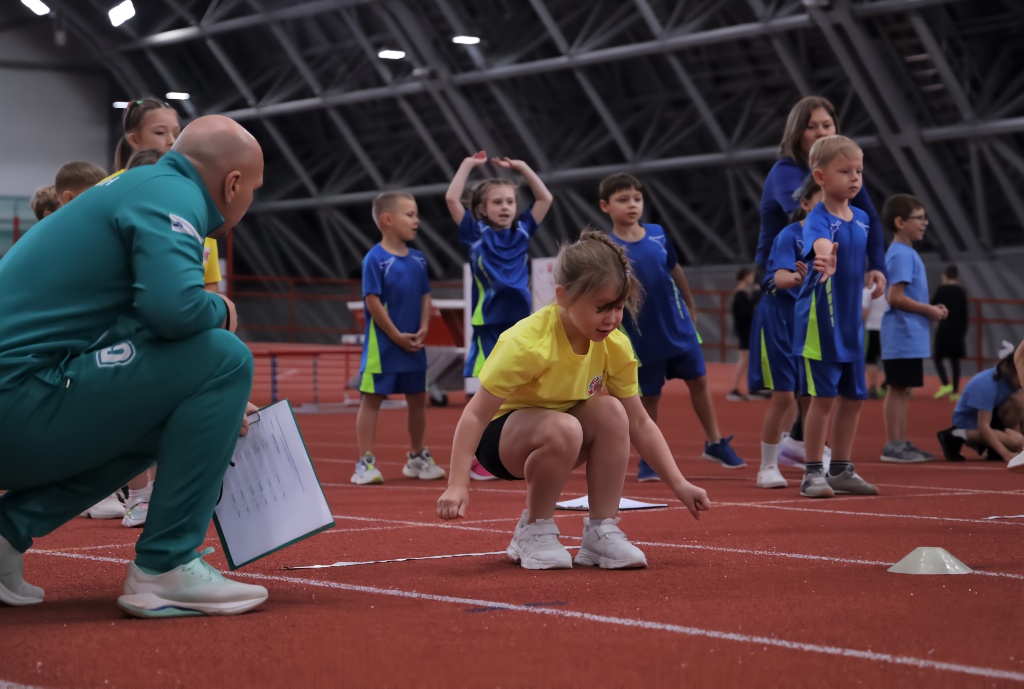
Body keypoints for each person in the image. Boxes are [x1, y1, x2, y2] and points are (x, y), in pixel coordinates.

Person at [0, 115, 269, 617]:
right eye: (253, 190)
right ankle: (165, 565)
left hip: (20, 395)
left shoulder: (136, 185)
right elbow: (176, 310)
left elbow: (133, 330)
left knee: (167, 406)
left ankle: (4, 535)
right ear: (233, 184)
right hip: (15, 399)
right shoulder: (174, 194)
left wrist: (203, 400)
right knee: (226, 357)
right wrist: (224, 311)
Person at [436, 231, 711, 570]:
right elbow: (476, 415)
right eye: (601, 308)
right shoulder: (527, 343)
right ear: (563, 297)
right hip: (502, 442)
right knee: (564, 427)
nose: (611, 319)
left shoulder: (615, 345)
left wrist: (679, 484)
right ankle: (533, 530)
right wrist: (457, 484)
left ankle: (602, 531)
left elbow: (640, 421)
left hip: (564, 431)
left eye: (618, 307)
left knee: (613, 412)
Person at [106, 107, 223, 529]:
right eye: (161, 132)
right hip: (127, 337)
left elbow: (207, 288)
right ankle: (139, 500)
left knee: (174, 418)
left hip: (175, 332)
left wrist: (214, 325)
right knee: (130, 422)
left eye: (177, 132)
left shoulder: (197, 224)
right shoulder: (112, 197)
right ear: (134, 138)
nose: (172, 141)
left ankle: (168, 503)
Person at [756, 96, 888, 466]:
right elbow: (809, 220)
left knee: (827, 380)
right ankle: (782, 456)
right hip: (783, 277)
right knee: (792, 381)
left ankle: (801, 440)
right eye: (812, 126)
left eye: (826, 126)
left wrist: (875, 263)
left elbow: (869, 220)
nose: (819, 132)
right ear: (797, 133)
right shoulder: (786, 173)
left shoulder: (845, 175)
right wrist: (826, 251)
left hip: (821, 279)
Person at [598, 173, 745, 480]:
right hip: (641, 334)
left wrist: (691, 306)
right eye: (623, 200)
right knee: (649, 397)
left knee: (699, 381)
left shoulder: (658, 234)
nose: (632, 205)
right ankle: (649, 458)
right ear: (605, 206)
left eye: (636, 199)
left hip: (678, 326)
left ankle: (714, 442)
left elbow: (674, 270)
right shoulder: (608, 247)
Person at [445, 151, 553, 481]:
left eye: (509, 201)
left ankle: (507, 452)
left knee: (520, 391)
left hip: (520, 323)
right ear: (481, 209)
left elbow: (544, 197)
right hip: (489, 323)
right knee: (488, 391)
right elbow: (451, 197)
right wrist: (467, 164)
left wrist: (521, 168)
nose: (505, 207)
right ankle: (476, 457)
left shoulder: (522, 231)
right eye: (497, 202)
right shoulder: (475, 233)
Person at [793, 135, 879, 499]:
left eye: (858, 170)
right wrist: (825, 256)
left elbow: (867, 250)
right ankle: (813, 472)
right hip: (820, 319)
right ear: (821, 176)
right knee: (823, 398)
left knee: (854, 396)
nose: (855, 178)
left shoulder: (860, 217)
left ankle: (841, 468)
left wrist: (875, 269)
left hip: (850, 321)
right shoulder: (818, 218)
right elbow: (821, 242)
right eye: (845, 171)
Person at [351, 192, 444, 486]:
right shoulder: (375, 259)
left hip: (414, 345)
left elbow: (426, 295)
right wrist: (395, 335)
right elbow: (372, 301)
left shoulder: (419, 259)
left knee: (418, 399)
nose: (416, 220)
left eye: (416, 214)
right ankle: (364, 462)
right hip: (384, 348)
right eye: (410, 214)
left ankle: (416, 456)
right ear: (387, 220)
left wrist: (424, 328)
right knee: (372, 399)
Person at [748, 175, 822, 489]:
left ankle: (815, 457)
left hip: (809, 318)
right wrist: (795, 278)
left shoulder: (834, 237)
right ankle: (767, 465)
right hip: (779, 316)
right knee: (783, 393)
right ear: (805, 203)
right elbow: (778, 278)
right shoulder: (790, 235)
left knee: (811, 392)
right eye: (824, 200)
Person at [880, 194, 946, 463]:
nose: (924, 223)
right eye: (918, 218)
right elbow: (894, 297)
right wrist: (930, 309)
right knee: (897, 389)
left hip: (908, 333)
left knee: (902, 389)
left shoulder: (905, 253)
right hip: (901, 333)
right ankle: (893, 445)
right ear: (900, 222)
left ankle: (900, 442)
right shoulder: (901, 254)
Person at [937, 352, 1023, 463]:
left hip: (993, 415)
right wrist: (1006, 453)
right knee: (1017, 441)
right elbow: (983, 427)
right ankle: (954, 434)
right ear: (1013, 371)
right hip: (971, 422)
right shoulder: (987, 384)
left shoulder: (1014, 380)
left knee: (1020, 400)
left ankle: (995, 448)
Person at [932, 265, 969, 401]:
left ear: (945, 276)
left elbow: (932, 304)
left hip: (944, 328)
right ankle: (955, 392)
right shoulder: (962, 291)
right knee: (955, 361)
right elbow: (965, 314)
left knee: (937, 357)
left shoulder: (942, 289)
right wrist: (963, 331)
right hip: (958, 330)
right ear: (957, 277)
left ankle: (945, 384)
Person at [113, 97, 180, 172]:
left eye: (176, 134)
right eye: (160, 132)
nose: (172, 141)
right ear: (135, 140)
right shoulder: (121, 182)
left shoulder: (184, 180)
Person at [728, 268, 758, 401]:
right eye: (750, 275)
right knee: (745, 359)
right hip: (744, 331)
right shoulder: (740, 294)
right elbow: (745, 313)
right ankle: (734, 388)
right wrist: (756, 296)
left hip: (745, 330)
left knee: (746, 359)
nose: (752, 278)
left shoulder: (742, 293)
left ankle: (745, 387)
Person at [862, 273, 888, 399]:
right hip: (886, 328)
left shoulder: (867, 291)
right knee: (887, 358)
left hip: (872, 327)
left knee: (871, 358)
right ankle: (891, 384)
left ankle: (872, 387)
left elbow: (864, 312)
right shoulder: (886, 289)